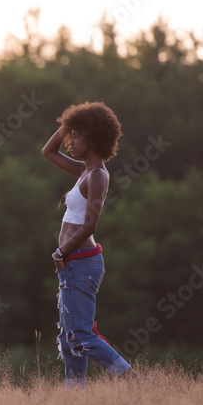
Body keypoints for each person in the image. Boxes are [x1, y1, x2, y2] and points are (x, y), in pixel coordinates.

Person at [41, 101, 137, 386]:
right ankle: (75, 396)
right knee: (68, 337)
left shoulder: (97, 175)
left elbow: (90, 224)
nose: (70, 141)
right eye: (71, 134)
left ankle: (135, 381)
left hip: (81, 263)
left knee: (80, 335)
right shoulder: (84, 170)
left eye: (78, 135)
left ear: (94, 138)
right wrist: (71, 122)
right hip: (73, 263)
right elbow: (48, 151)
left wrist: (62, 250)